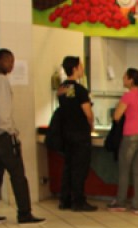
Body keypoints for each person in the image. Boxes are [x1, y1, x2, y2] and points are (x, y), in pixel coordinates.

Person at [0, 48, 45, 225]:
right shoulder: (0, 81)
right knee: (18, 174)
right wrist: (10, 131)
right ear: (0, 61)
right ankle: (24, 213)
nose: (12, 65)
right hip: (3, 136)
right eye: (9, 61)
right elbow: (2, 111)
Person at [107, 68, 138, 215]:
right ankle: (136, 205)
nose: (123, 80)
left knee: (124, 171)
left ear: (131, 79)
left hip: (130, 136)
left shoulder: (128, 96)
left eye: (124, 77)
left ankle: (120, 202)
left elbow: (117, 116)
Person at [57, 56, 97, 212]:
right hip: (80, 134)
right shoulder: (80, 90)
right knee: (80, 169)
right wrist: (91, 125)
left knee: (68, 167)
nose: (82, 69)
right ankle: (78, 201)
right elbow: (87, 113)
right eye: (80, 66)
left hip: (66, 134)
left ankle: (65, 199)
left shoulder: (62, 88)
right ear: (74, 68)